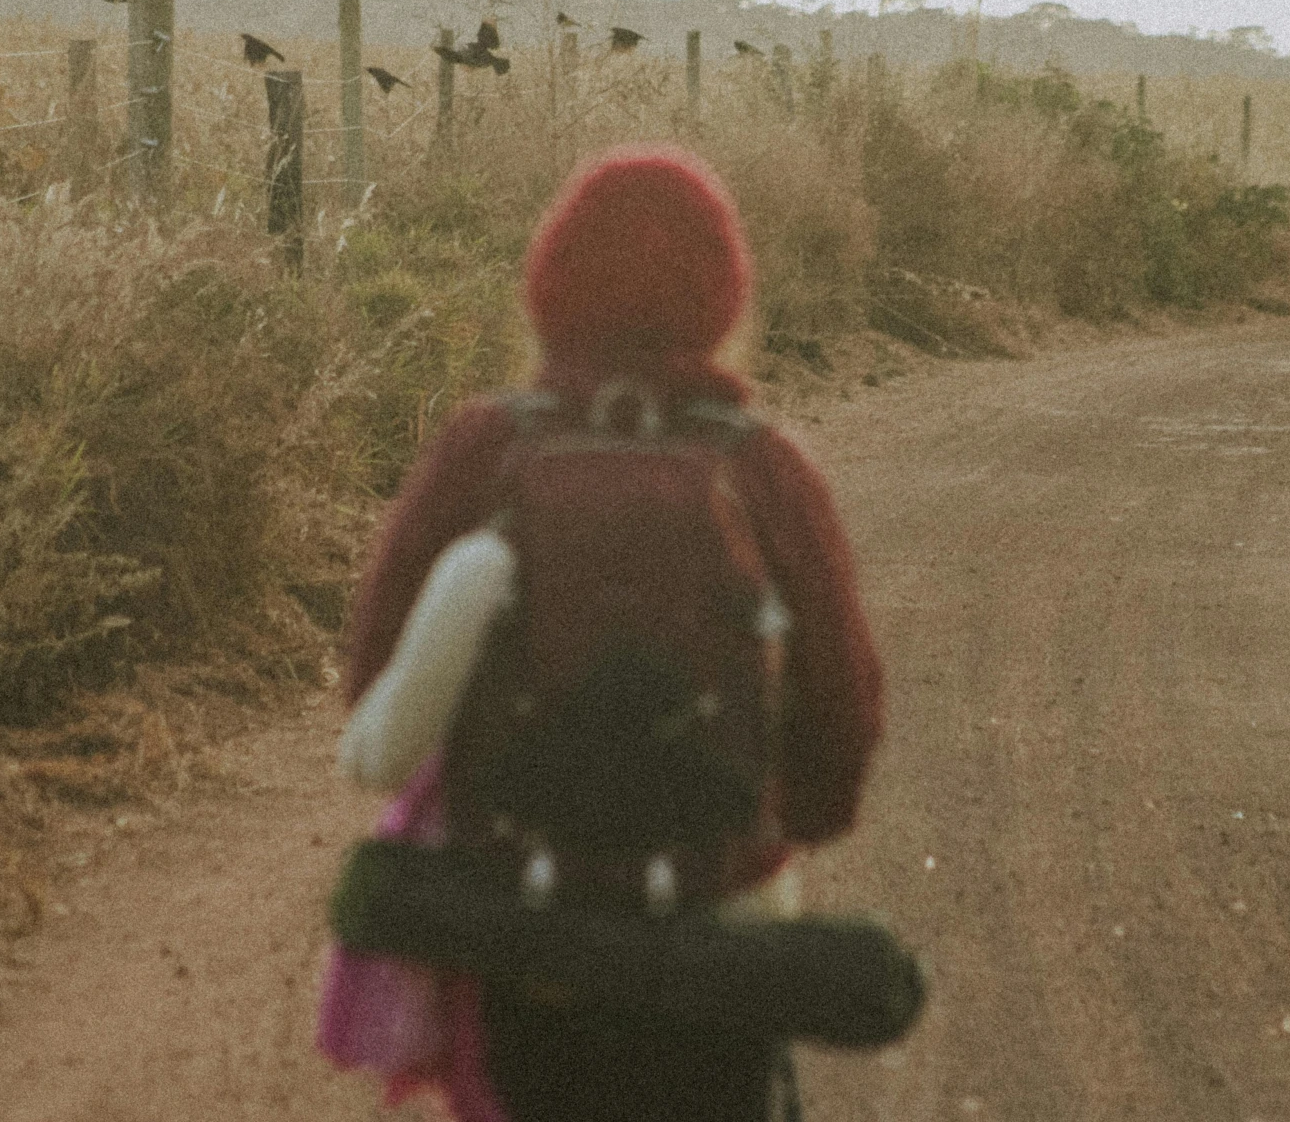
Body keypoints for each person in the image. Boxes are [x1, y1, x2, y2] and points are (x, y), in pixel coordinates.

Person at [338, 145, 885, 1120]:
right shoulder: (764, 468)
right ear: (723, 298)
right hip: (723, 924)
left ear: (548, 287)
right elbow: (839, 726)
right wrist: (749, 832)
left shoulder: (486, 447)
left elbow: (375, 689)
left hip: (519, 921)